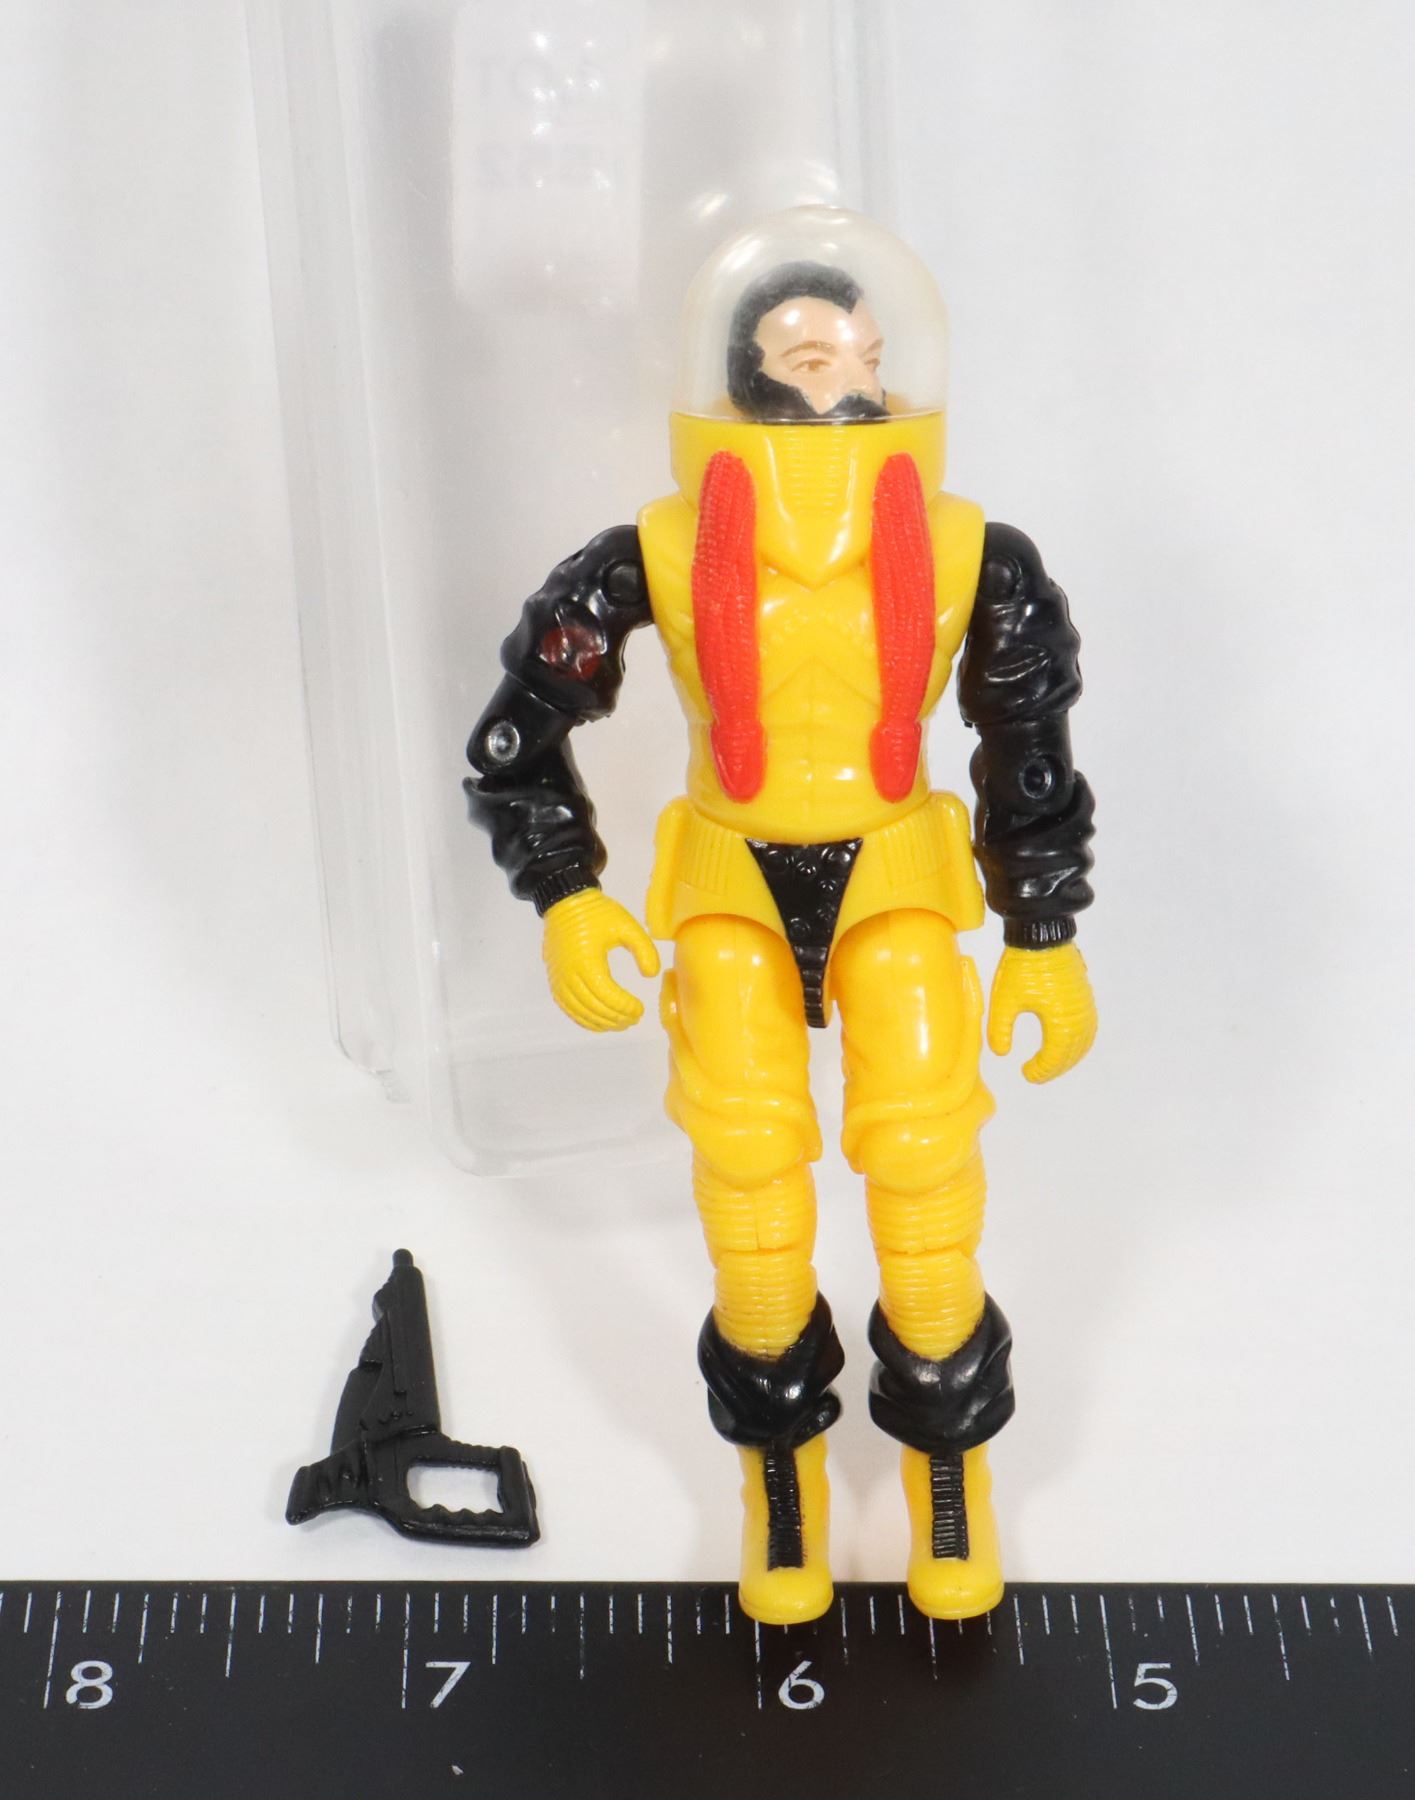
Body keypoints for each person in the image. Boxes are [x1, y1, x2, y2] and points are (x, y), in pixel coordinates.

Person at [465, 208, 1096, 1625]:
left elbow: (1028, 751)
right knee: (751, 1187)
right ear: (748, 379)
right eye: (812, 361)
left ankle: (949, 1472)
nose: (848, 386)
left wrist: (1044, 935)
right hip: (732, 880)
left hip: (895, 872)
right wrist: (566, 893)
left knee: (925, 1172)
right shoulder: (651, 551)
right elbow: (518, 735)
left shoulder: (972, 553)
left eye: (869, 359)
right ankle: (781, 1481)